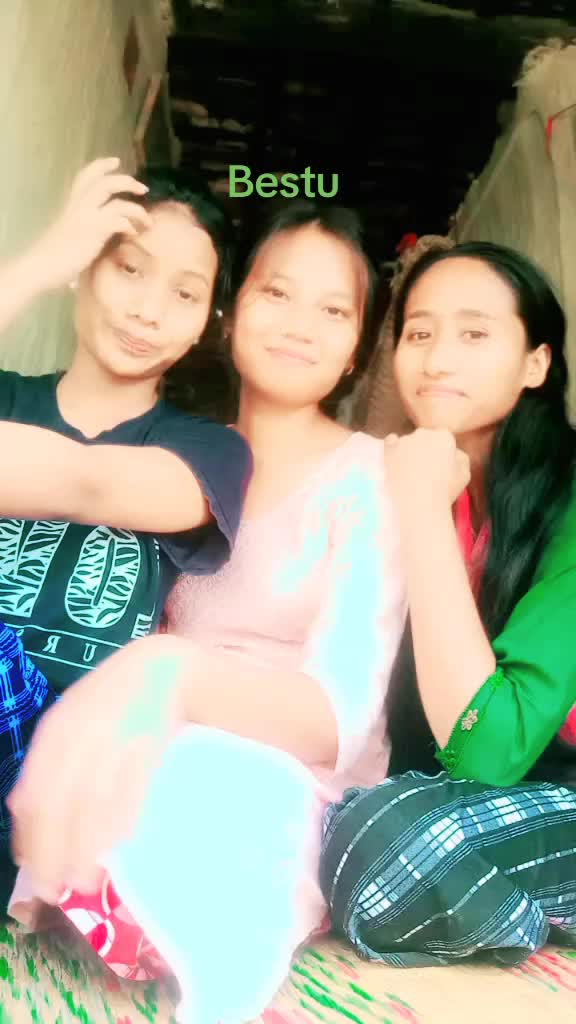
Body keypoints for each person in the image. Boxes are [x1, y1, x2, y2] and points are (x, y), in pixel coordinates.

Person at [7, 202, 407, 1022]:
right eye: (277, 293)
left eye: (334, 311)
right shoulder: (184, 454)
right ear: (229, 312)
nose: (299, 325)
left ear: (358, 349)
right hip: (141, 733)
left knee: (202, 795)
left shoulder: (372, 477)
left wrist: (170, 672)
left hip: (284, 775)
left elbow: (342, 722)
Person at [0, 157, 251, 905]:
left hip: (66, 753)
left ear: (207, 324)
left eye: (184, 293)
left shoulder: (211, 451)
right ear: (85, 270)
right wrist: (43, 261)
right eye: (128, 269)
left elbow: (87, 482)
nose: (148, 311)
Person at [319, 241, 576, 968]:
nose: (437, 360)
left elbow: (490, 749)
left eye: (474, 334)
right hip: (496, 797)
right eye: (420, 333)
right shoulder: (412, 477)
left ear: (536, 363)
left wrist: (424, 511)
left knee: (389, 847)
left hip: (532, 786)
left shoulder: (555, 497)